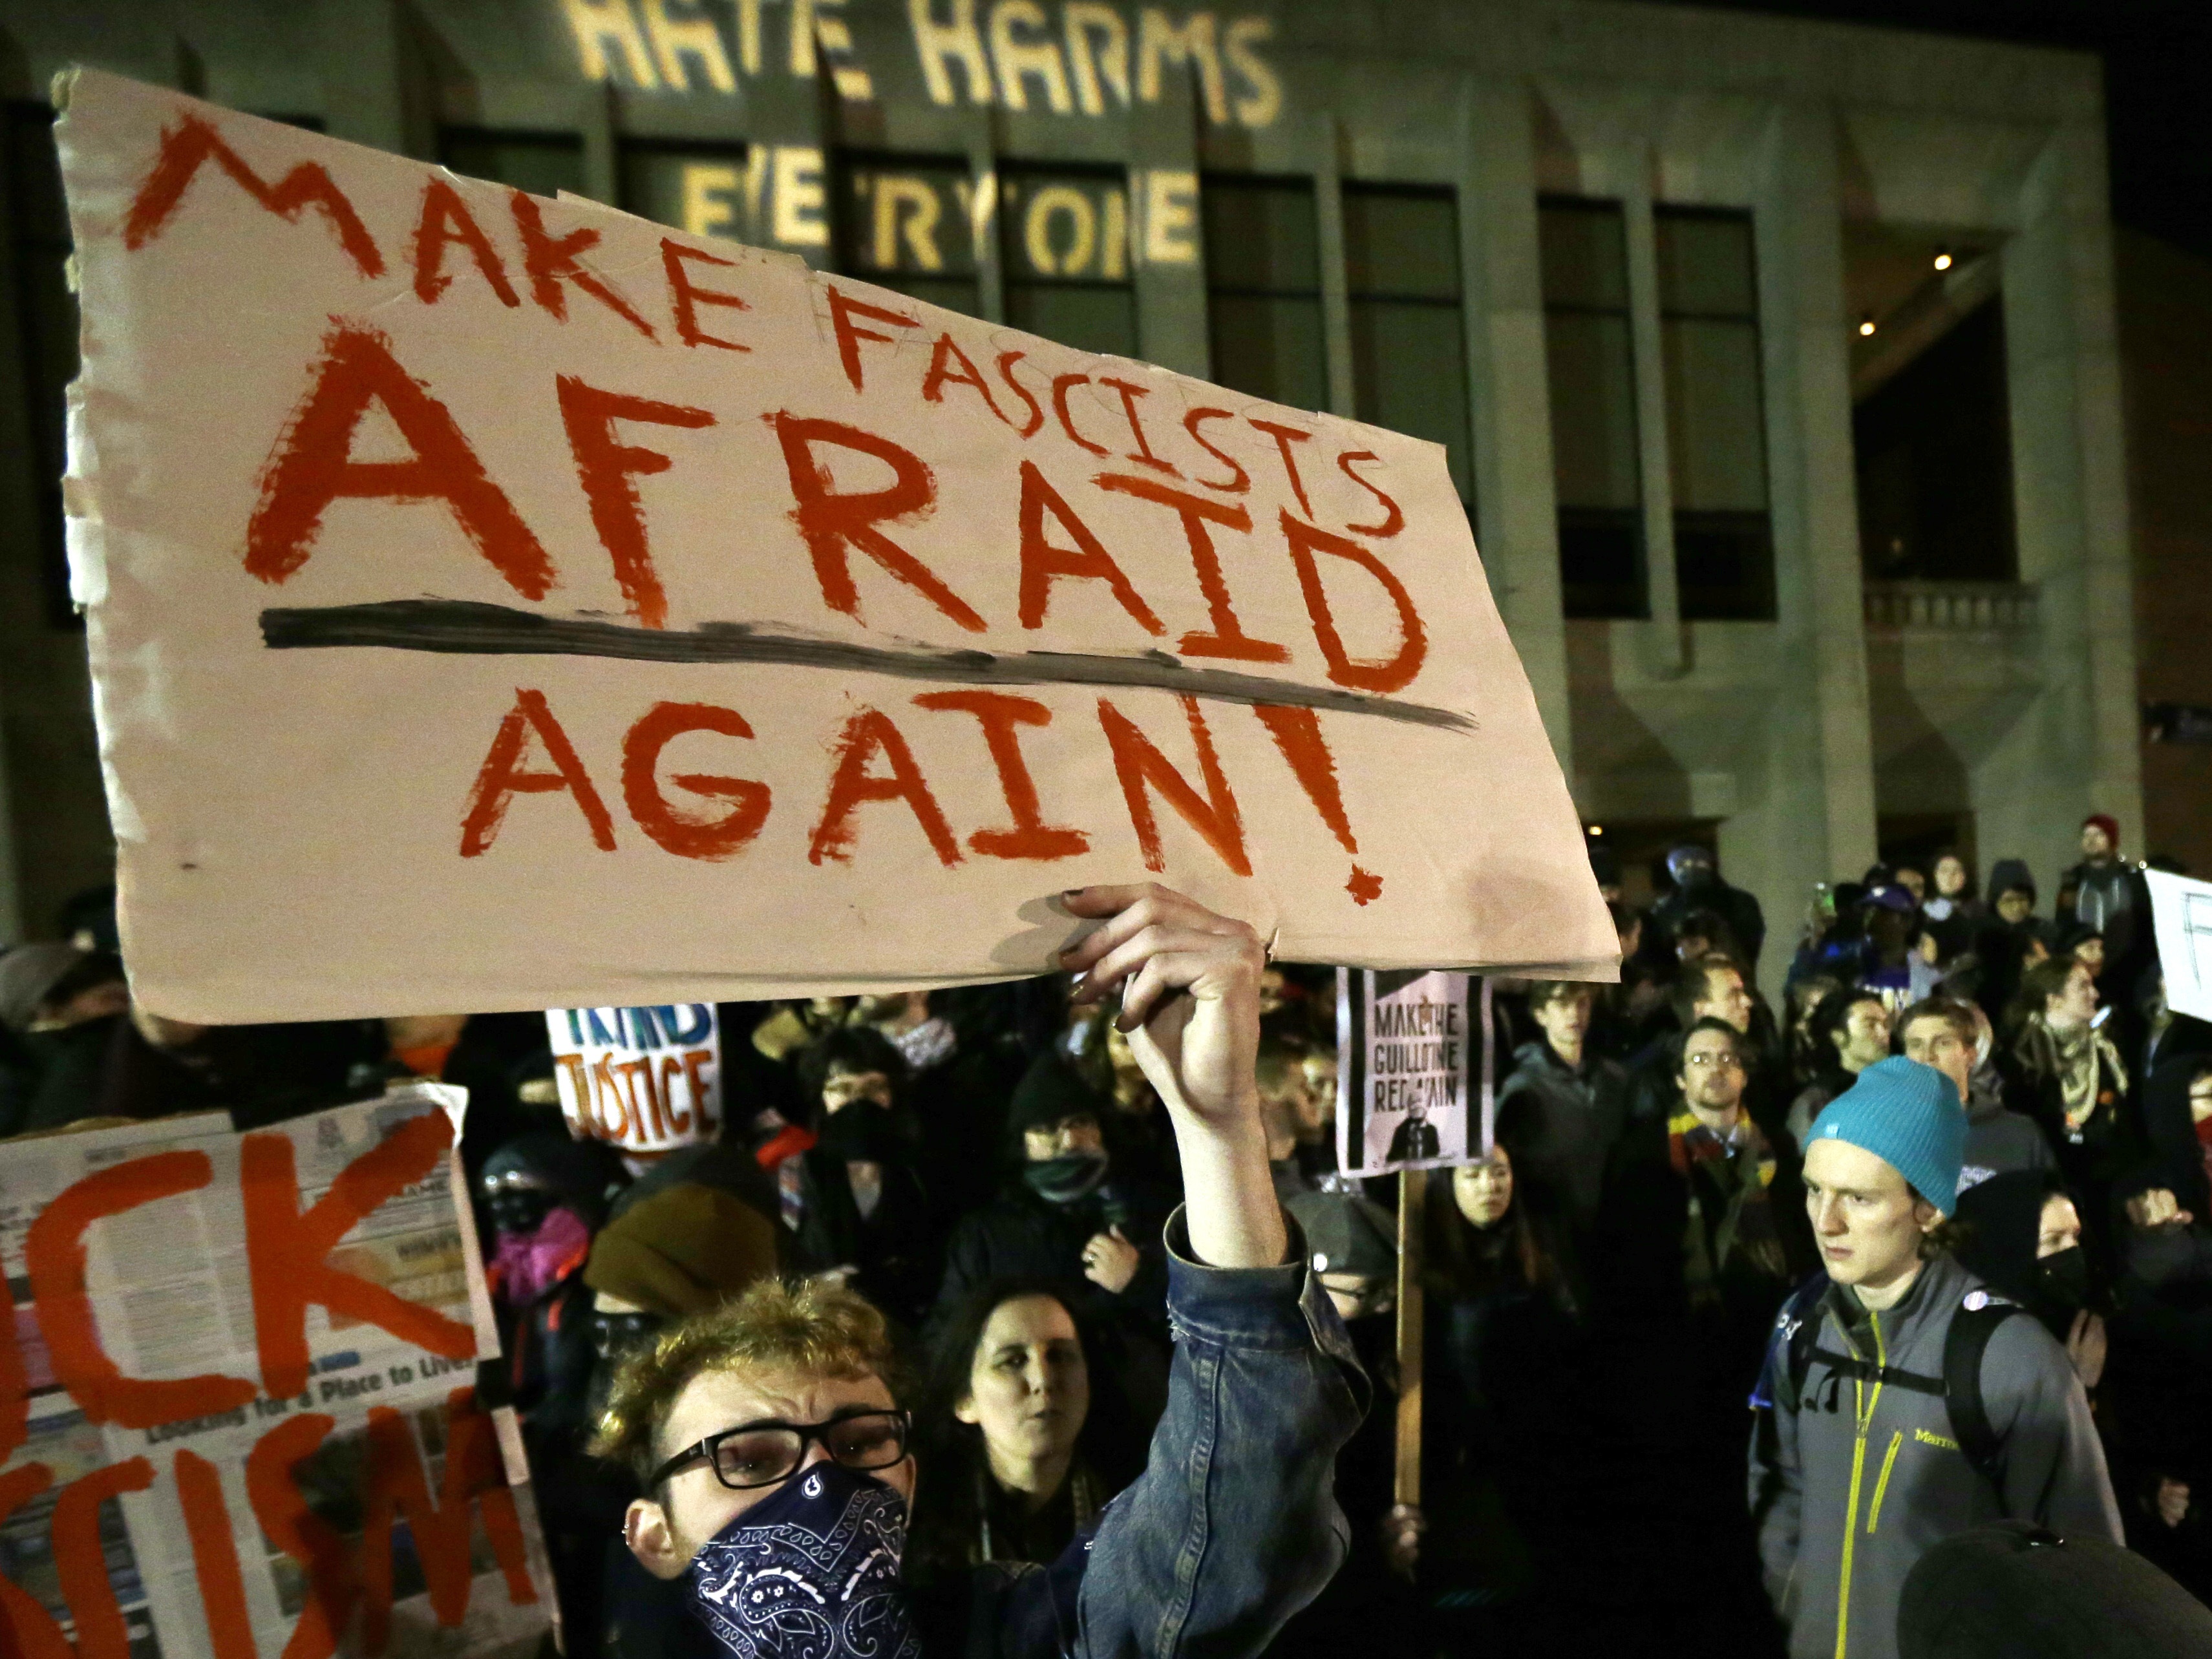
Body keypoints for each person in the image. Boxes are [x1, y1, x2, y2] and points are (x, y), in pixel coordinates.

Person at [590, 883, 1368, 1659]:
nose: (821, 1485)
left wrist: (1219, 1125)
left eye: (861, 1443)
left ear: (912, 1479)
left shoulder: (1007, 1632)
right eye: (751, 1457)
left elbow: (1231, 1525)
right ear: (652, 1533)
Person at [1748, 1058, 2122, 1659]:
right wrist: (1798, 1605)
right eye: (1815, 1188)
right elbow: (1778, 1481)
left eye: (1859, 1198)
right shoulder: (1802, 1321)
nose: (1825, 1221)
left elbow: (2085, 1574)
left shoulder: (2012, 1358)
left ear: (1930, 1208)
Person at [906, 1280, 1128, 1578]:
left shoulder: (1137, 1507)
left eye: (1060, 1356)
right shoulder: (919, 1531)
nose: (1043, 1380)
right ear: (964, 1401)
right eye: (1013, 1361)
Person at [1495, 980, 1628, 1232]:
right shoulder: (1522, 1085)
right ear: (1541, 1014)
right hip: (1548, 1225)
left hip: (1606, 1222)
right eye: (1562, 1004)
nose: (1573, 1013)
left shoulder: (1613, 1079)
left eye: (1582, 1003)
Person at [2005, 957, 2136, 1199]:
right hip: (2056, 1188)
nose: (2095, 994)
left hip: (2111, 1186)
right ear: (2053, 999)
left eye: (2093, 985)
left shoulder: (2106, 1048)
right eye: (2082, 987)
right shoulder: (2024, 1059)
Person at [1897, 998, 2055, 1192]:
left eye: (1943, 1043)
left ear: (1970, 1056)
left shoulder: (2021, 1136)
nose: (1927, 1056)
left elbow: (2052, 1212)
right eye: (1916, 1045)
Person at [1787, 988, 1893, 1146]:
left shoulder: (1897, 1087)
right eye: (1870, 1025)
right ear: (1838, 1036)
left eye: (1885, 1024)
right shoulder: (1817, 1101)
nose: (1884, 1033)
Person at [1650, 842, 1768, 974]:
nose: (1689, 868)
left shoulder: (1740, 902)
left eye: (1697, 861)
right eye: (1681, 865)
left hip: (1732, 976)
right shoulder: (1666, 908)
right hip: (1688, 984)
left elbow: (1750, 944)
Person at [2057, 814, 2145, 979]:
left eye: (2099, 835)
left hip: (2128, 968)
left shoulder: (2131, 878)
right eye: (2087, 835)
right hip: (2085, 967)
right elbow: (2064, 922)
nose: (2091, 840)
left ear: (2112, 840)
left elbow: (2143, 922)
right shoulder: (2072, 880)